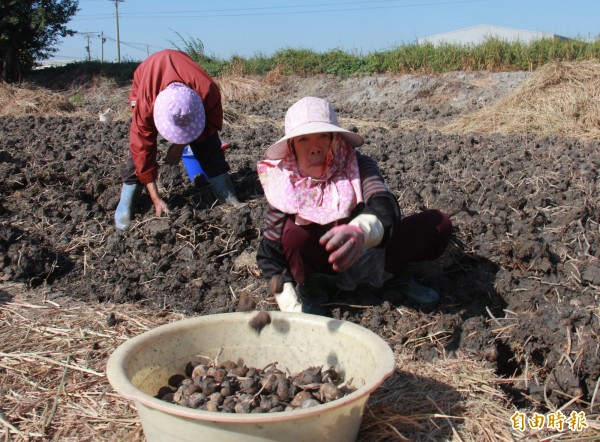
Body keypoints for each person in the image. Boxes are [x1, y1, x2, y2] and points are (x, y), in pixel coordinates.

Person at [256, 96, 453, 315]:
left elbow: (384, 204)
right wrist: (291, 307)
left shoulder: (358, 166)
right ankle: (314, 292)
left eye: (323, 136)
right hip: (322, 270)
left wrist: (361, 231)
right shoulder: (285, 184)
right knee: (292, 233)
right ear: (291, 147)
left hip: (370, 258)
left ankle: (397, 278)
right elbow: (269, 253)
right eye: (303, 139)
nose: (314, 148)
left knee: (437, 223)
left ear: (335, 140)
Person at [115, 49, 243, 230]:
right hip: (147, 80)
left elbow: (210, 125)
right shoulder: (146, 103)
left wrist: (179, 145)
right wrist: (156, 198)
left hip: (191, 83)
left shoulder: (207, 90)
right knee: (138, 156)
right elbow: (142, 149)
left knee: (208, 143)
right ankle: (127, 200)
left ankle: (227, 194)